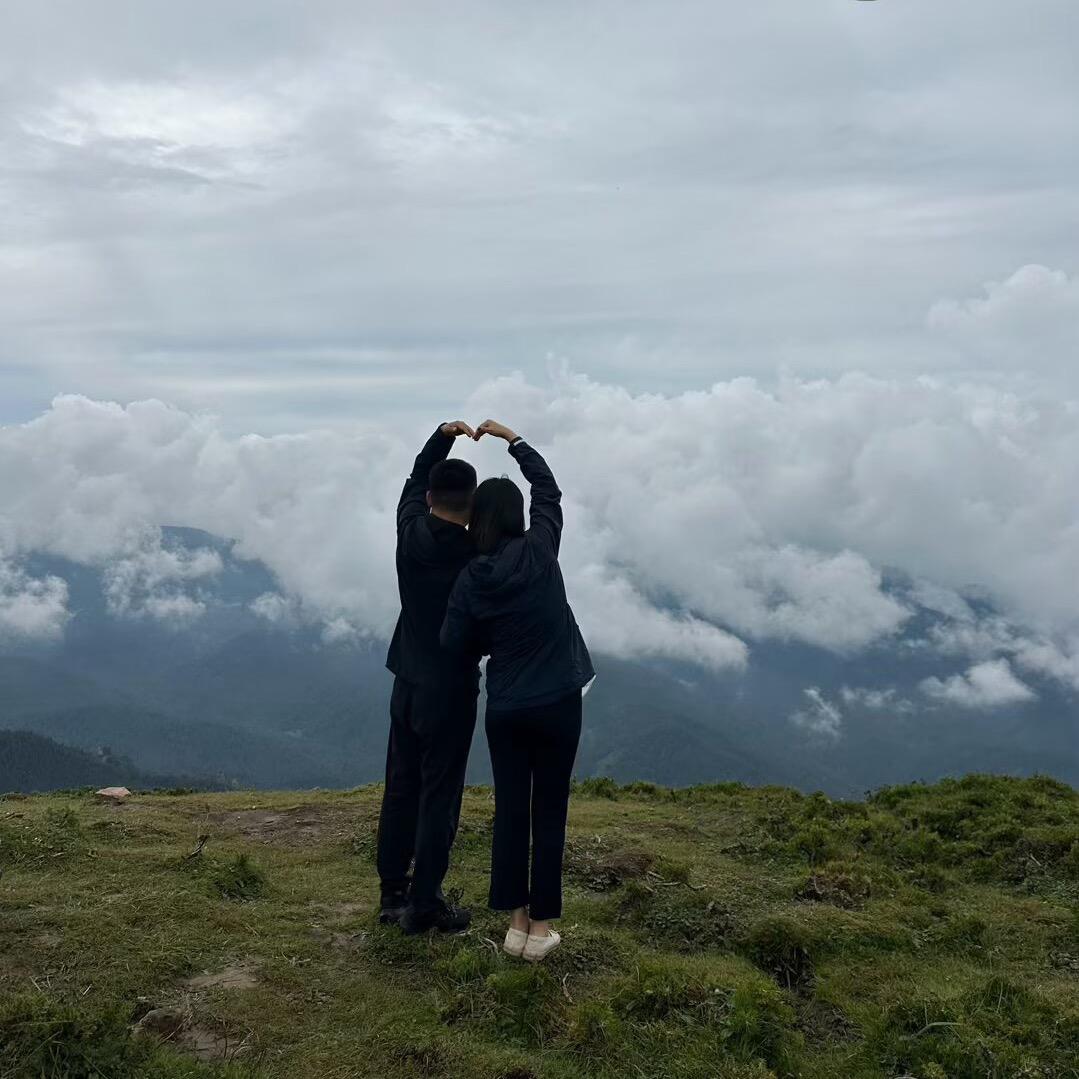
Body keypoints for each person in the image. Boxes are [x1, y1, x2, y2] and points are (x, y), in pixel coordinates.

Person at [441, 418, 594, 962]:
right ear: (518, 517)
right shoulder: (540, 551)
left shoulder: (472, 578)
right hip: (556, 701)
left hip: (505, 706)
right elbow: (549, 491)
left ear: (478, 521)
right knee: (549, 808)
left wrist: (490, 641)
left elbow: (455, 643)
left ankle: (515, 924)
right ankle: (542, 930)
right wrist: (515, 441)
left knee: (511, 809)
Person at [376, 420, 482, 935]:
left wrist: (443, 436)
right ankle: (425, 903)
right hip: (452, 687)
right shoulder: (477, 558)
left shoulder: (409, 533)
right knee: (440, 793)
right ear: (472, 504)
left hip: (407, 680)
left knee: (400, 785)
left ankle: (391, 891)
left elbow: (412, 482)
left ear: (433, 496)